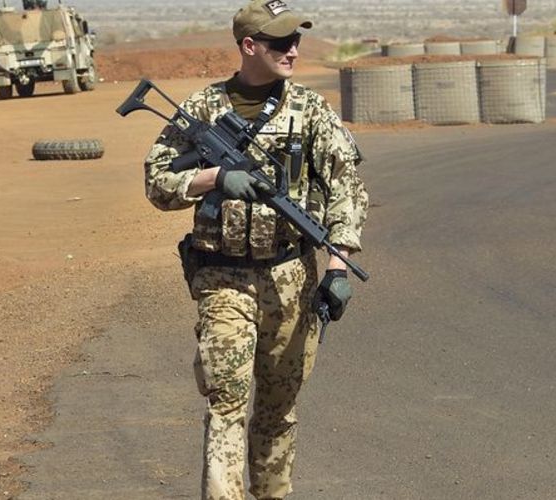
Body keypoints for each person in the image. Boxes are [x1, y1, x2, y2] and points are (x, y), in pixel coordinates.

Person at [143, 1, 369, 498]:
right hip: (222, 278)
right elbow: (157, 182)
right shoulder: (201, 109)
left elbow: (345, 189)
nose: (293, 50)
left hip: (291, 278)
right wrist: (216, 176)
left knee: (277, 411)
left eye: (296, 41)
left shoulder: (310, 110)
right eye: (281, 42)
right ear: (250, 46)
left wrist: (337, 268)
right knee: (226, 402)